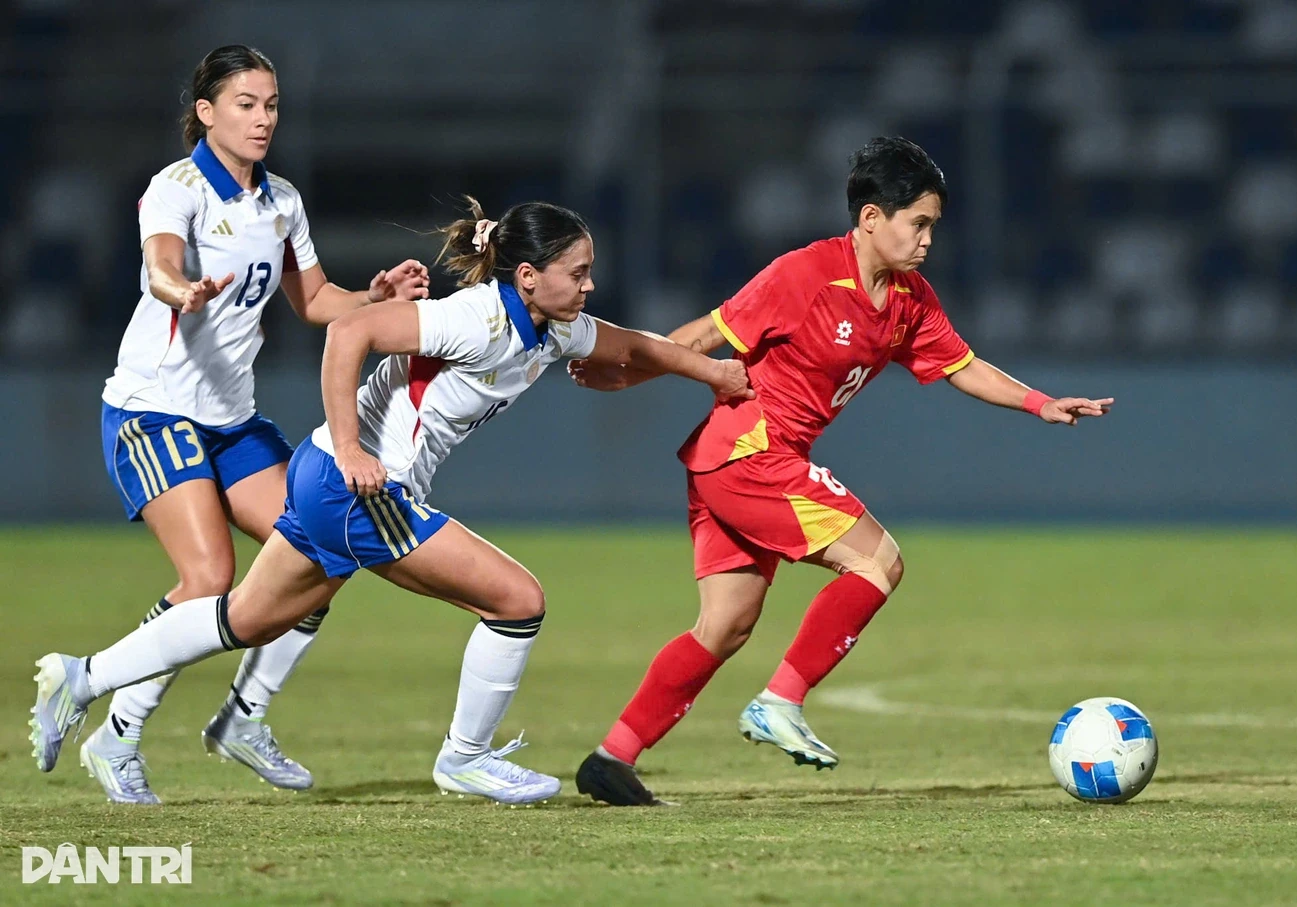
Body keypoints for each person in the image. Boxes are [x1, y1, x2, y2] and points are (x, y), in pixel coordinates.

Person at [31, 197, 753, 806]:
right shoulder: (476, 319)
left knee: (241, 619)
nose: (590, 283)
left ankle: (82, 675)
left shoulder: (552, 326)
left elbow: (633, 345)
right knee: (517, 600)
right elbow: (350, 330)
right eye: (579, 271)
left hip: (325, 483)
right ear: (528, 276)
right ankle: (464, 757)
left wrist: (712, 374)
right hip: (356, 488)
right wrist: (351, 447)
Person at [569, 136, 1114, 806]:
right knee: (879, 561)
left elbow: (963, 365)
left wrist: (1040, 402)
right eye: (918, 224)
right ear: (871, 220)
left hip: (730, 461)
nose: (926, 241)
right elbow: (701, 337)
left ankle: (611, 756)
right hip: (751, 452)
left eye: (933, 227)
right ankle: (780, 699)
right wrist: (623, 376)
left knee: (726, 624)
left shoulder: (910, 300)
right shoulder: (804, 275)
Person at [88, 45, 430, 804]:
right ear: (206, 113)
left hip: (233, 421)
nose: (263, 118)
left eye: (271, 104)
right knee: (208, 577)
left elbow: (314, 303)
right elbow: (158, 265)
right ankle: (116, 733)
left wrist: (375, 297)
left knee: (324, 551)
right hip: (153, 412)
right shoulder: (174, 189)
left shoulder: (282, 201)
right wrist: (182, 290)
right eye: (246, 103)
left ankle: (243, 717)